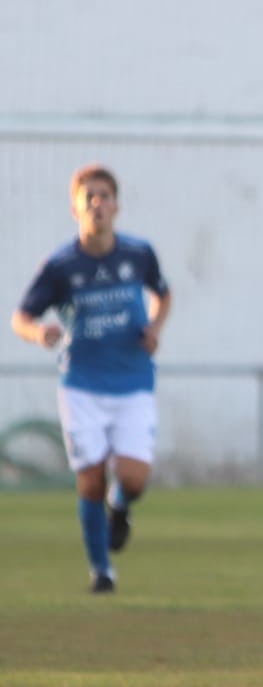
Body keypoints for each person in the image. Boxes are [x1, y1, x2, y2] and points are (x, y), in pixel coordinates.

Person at [11, 164, 172, 594]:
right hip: (81, 384)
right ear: (75, 208)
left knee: (134, 479)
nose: (97, 204)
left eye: (104, 196)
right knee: (90, 478)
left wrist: (155, 327)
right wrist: (38, 333)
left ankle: (120, 507)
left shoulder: (139, 254)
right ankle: (102, 571)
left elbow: (164, 292)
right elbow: (21, 317)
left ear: (116, 205)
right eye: (89, 197)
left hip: (133, 380)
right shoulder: (62, 266)